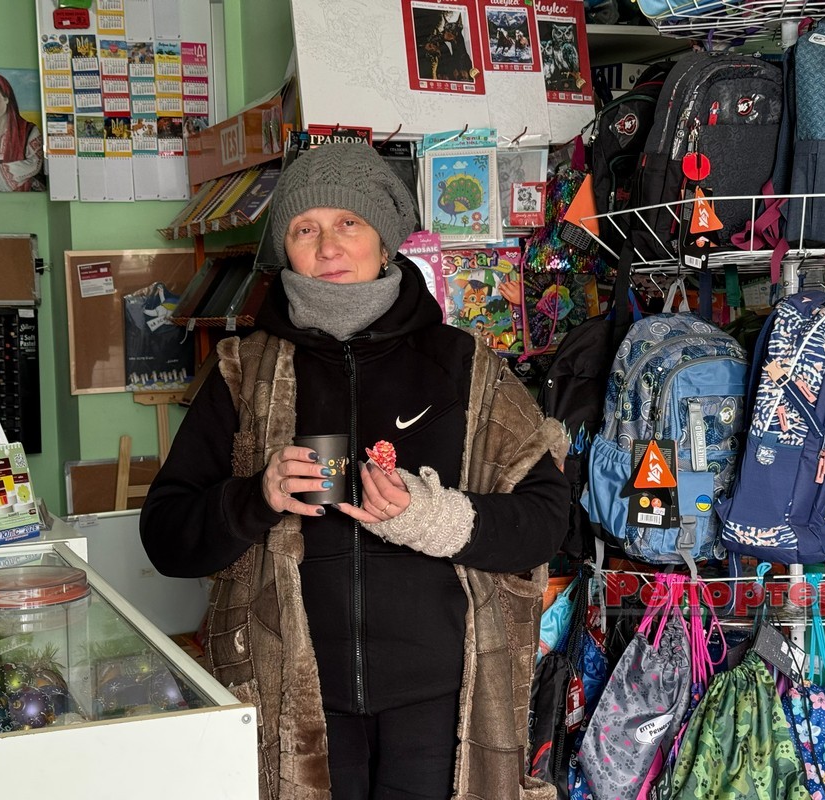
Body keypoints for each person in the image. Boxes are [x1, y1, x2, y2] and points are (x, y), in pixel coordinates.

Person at [140, 142, 569, 800]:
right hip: (293, 707)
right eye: (304, 228)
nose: (328, 247)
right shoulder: (242, 372)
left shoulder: (464, 366)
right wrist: (255, 497)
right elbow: (166, 538)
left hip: (443, 707)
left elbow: (544, 522)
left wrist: (432, 518)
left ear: (385, 238)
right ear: (285, 248)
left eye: (348, 222)